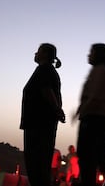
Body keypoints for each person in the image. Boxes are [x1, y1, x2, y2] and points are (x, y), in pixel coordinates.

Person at [20, 43, 65, 186]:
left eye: (38, 51)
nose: (35, 54)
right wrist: (58, 110)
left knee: (36, 164)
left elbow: (46, 90)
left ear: (45, 54)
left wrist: (57, 109)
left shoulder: (44, 69)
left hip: (38, 124)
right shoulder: (48, 71)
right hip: (42, 123)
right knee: (41, 164)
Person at [76, 43, 105, 186]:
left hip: (95, 118)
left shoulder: (101, 71)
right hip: (97, 117)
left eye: (91, 52)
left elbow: (95, 95)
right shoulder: (101, 71)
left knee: (89, 157)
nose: (89, 55)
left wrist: (82, 109)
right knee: (98, 156)